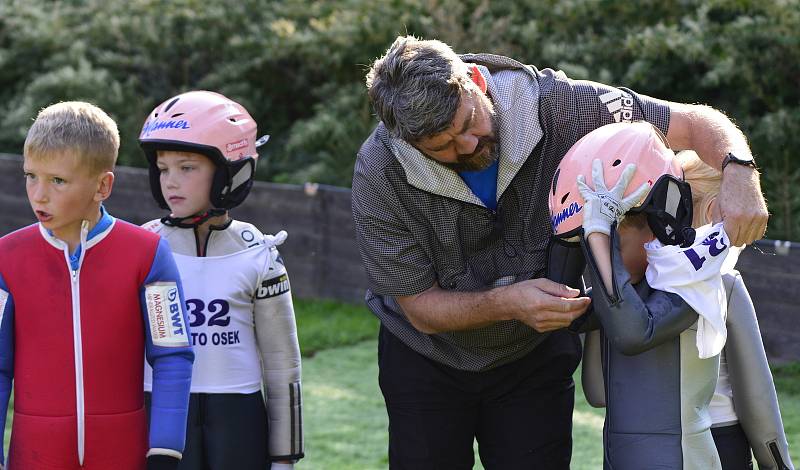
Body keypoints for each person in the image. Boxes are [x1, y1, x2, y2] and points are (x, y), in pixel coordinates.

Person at [352, 35, 768, 468]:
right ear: (406, 142)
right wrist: (508, 303)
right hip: (424, 359)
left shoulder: (561, 104)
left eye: (468, 123)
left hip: (535, 356)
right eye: (443, 148)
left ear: (475, 79)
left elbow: (695, 123)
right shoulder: (379, 172)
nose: (469, 147)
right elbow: (420, 307)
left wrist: (740, 172)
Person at [0, 102, 194, 470]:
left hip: (124, 454)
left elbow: (172, 355)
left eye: (57, 180)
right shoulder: (5, 258)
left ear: (102, 185)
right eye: (30, 176)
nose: (38, 194)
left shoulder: (149, 254)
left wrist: (165, 448)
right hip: (35, 455)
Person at [138, 91, 304, 470]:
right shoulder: (141, 249)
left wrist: (284, 459)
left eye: (187, 168)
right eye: (163, 169)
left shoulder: (260, 254)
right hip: (159, 417)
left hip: (238, 423)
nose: (171, 182)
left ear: (230, 171)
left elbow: (283, 369)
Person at [552, 121, 727, 469]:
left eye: (615, 240)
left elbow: (633, 333)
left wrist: (598, 235)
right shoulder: (631, 288)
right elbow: (597, 390)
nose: (606, 255)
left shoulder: (692, 276)